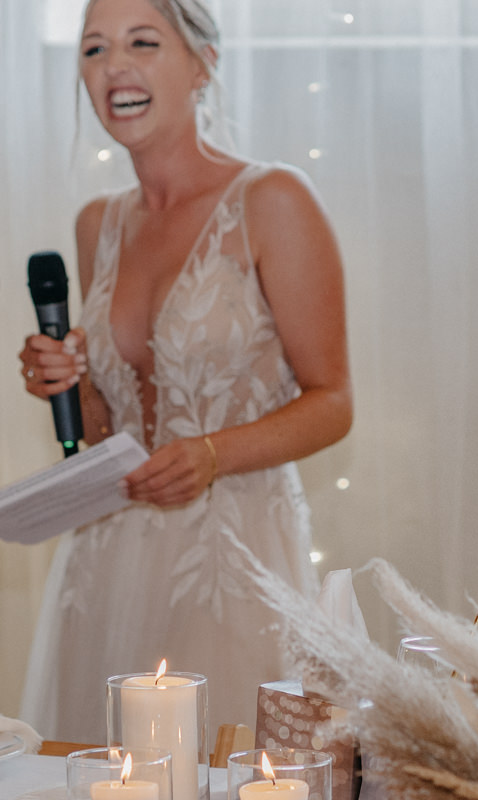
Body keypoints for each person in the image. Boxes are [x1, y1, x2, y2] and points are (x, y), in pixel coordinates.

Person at [16, 0, 352, 743]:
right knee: (100, 767)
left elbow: (333, 401)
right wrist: (67, 382)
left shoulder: (273, 200)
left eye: (142, 42)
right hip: (104, 562)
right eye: (95, 50)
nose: (116, 68)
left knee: (222, 762)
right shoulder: (96, 223)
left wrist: (209, 456)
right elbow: (109, 429)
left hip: (230, 555)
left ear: (202, 64)